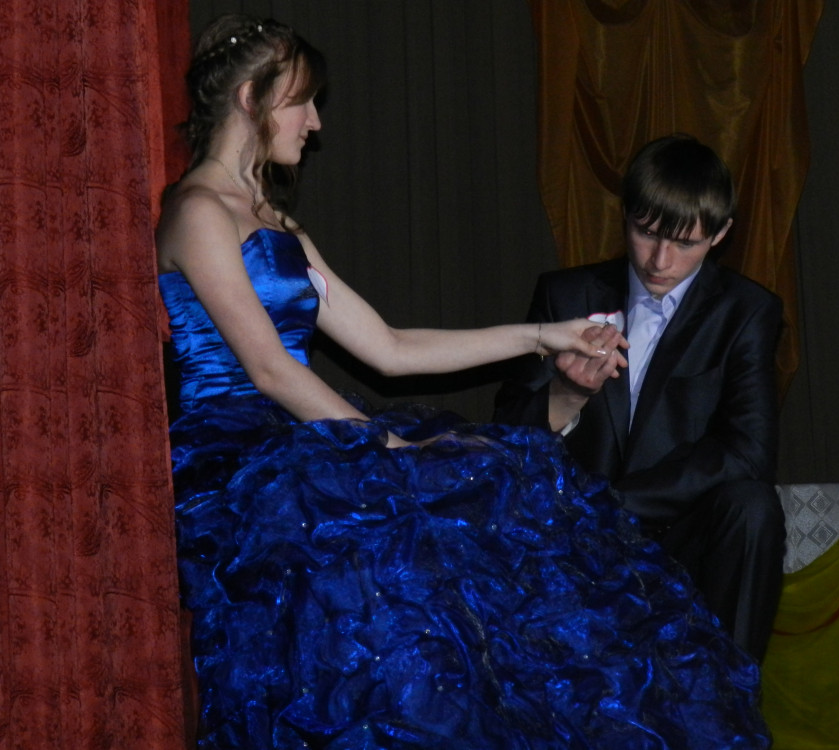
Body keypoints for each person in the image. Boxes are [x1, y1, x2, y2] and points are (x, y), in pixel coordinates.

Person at [159, 15, 769, 748]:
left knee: (498, 480)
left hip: (305, 434)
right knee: (400, 540)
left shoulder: (276, 223)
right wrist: (382, 445)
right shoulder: (198, 210)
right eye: (302, 101)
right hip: (235, 447)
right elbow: (267, 369)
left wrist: (544, 335)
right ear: (252, 99)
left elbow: (389, 348)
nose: (315, 122)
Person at [494, 135, 786, 663]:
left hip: (680, 531)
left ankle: (732, 693)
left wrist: (616, 504)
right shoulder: (566, 295)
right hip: (573, 535)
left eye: (685, 243)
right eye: (646, 233)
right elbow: (506, 439)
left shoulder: (747, 311)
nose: (659, 260)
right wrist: (567, 394)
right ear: (625, 214)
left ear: (721, 234)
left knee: (752, 506)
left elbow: (748, 452)